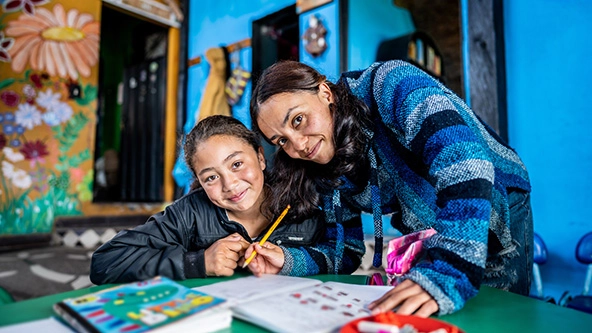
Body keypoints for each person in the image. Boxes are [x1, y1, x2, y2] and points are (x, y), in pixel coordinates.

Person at [249, 60, 533, 317]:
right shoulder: (317, 163)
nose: (298, 145)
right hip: (431, 222)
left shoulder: (391, 83)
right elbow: (343, 251)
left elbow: (467, 164)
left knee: (494, 317)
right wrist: (288, 261)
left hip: (496, 201)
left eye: (298, 120)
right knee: (432, 316)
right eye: (281, 141)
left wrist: (447, 271)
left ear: (325, 92)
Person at [90, 115, 357, 285]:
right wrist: (198, 262)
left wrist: (292, 260)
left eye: (237, 164)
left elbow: (347, 256)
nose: (230, 185)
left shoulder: (304, 199)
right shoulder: (190, 213)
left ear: (261, 158)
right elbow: (105, 262)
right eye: (210, 178)